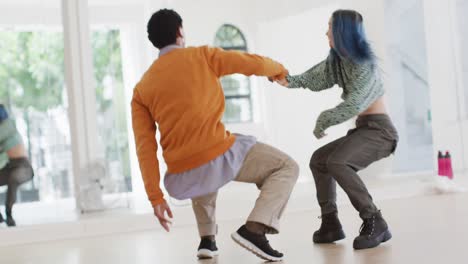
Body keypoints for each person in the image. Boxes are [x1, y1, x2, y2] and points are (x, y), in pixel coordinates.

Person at [131, 9, 299, 261]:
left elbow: (145, 148)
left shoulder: (142, 88)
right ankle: (255, 229)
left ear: (155, 41)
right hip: (216, 153)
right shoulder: (202, 56)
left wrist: (155, 196)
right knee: (287, 166)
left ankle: (207, 240)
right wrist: (279, 70)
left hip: (184, 171)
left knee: (198, 163)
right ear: (180, 32)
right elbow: (250, 62)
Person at [275, 9, 399, 250]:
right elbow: (316, 77)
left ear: (342, 31)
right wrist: (289, 80)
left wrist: (323, 120)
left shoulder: (363, 62)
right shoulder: (339, 60)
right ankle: (331, 224)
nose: (326, 32)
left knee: (338, 162)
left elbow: (356, 103)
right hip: (364, 130)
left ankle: (375, 220)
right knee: (319, 160)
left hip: (381, 133)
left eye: (330, 27)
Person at [0, 104, 34, 227]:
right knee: (12, 176)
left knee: (13, 179)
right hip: (10, 166)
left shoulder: (7, 126)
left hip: (24, 166)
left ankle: (8, 213)